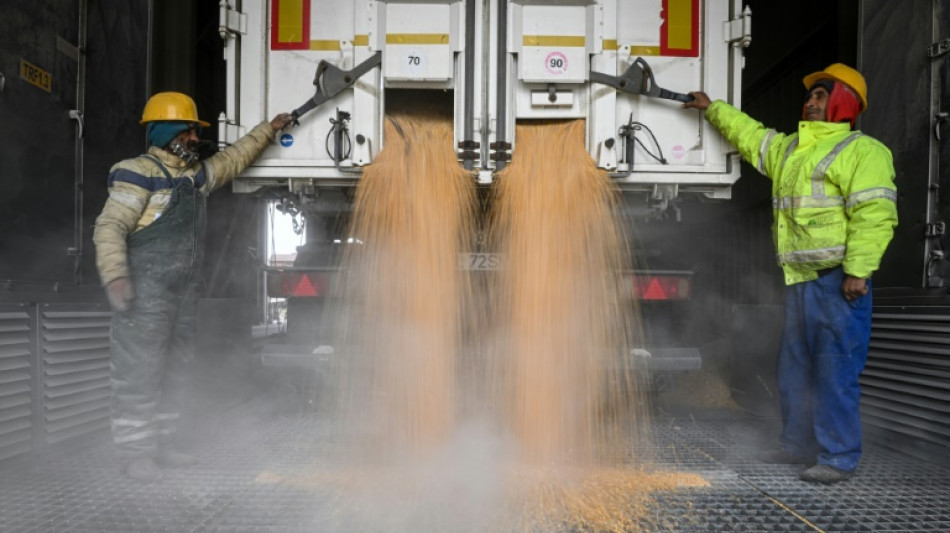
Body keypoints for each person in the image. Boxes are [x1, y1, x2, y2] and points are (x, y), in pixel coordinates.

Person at [683, 64, 898, 483]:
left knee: (835, 371)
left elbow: (875, 214)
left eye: (820, 95)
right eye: (810, 96)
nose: (810, 102)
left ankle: (838, 457)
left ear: (844, 102)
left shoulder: (863, 151)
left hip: (838, 282)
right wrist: (713, 109)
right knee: (794, 368)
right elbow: (751, 135)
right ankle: (796, 445)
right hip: (800, 282)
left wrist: (858, 271)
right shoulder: (791, 150)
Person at [93, 91, 293, 481]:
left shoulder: (193, 177)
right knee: (138, 373)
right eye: (186, 131)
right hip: (145, 296)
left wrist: (268, 131)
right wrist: (116, 275)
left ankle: (164, 446)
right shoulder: (137, 172)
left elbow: (233, 159)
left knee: (175, 370)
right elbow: (110, 226)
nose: (194, 138)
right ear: (164, 131)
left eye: (194, 132)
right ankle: (136, 455)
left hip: (182, 296)